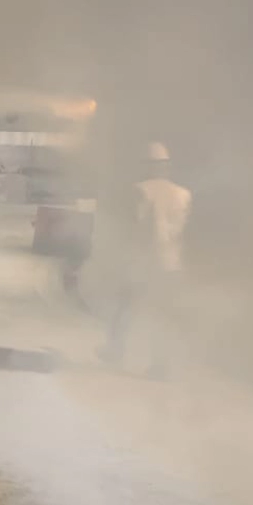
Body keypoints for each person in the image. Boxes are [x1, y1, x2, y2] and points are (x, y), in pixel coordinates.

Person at [100, 142, 192, 377]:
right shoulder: (184, 194)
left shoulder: (140, 190)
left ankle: (115, 350)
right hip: (172, 264)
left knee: (125, 307)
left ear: (147, 166)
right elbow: (185, 230)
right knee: (163, 315)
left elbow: (136, 226)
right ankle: (161, 366)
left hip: (145, 262)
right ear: (167, 166)